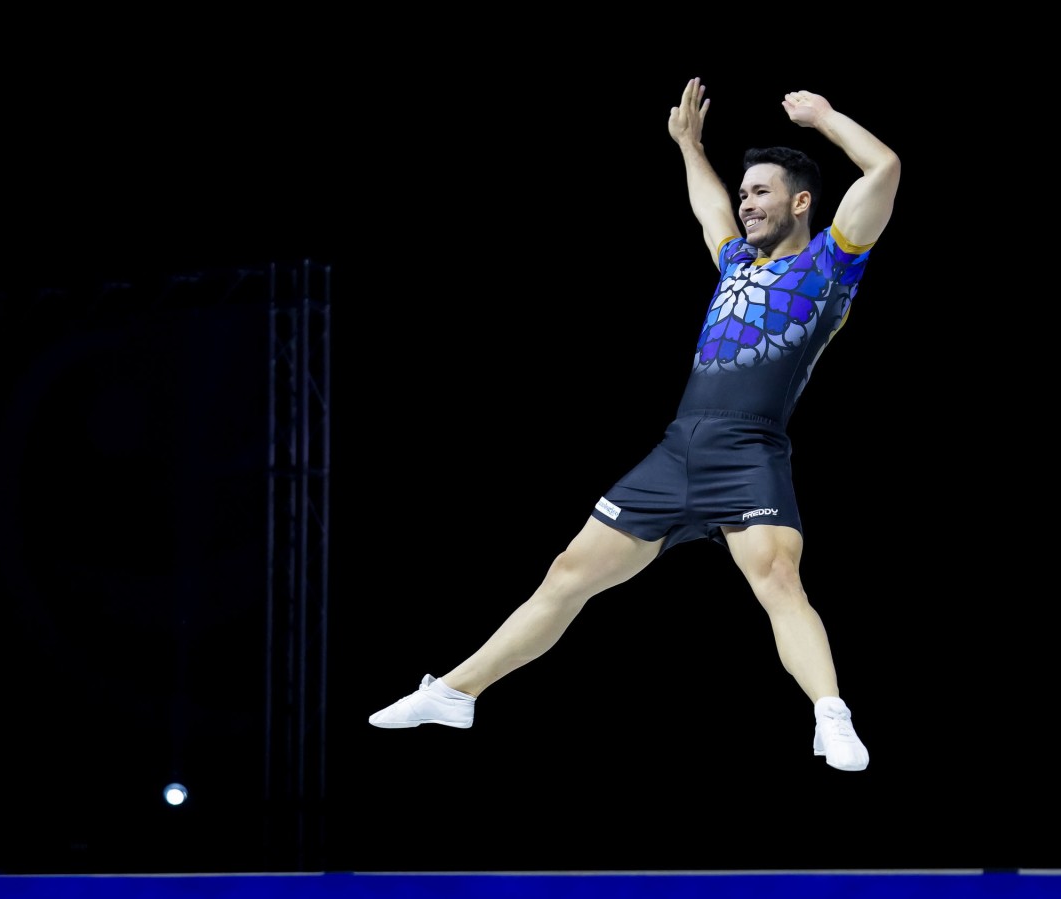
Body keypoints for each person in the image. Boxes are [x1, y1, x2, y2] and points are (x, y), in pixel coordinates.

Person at [369, 76, 900, 772]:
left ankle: (830, 714)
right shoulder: (735, 262)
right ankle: (454, 693)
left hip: (749, 448)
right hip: (677, 449)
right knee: (567, 573)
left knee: (778, 579)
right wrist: (689, 146)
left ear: (801, 201)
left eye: (760, 192)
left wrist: (824, 117)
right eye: (744, 192)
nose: (745, 202)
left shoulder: (831, 264)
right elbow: (709, 207)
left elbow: (884, 168)